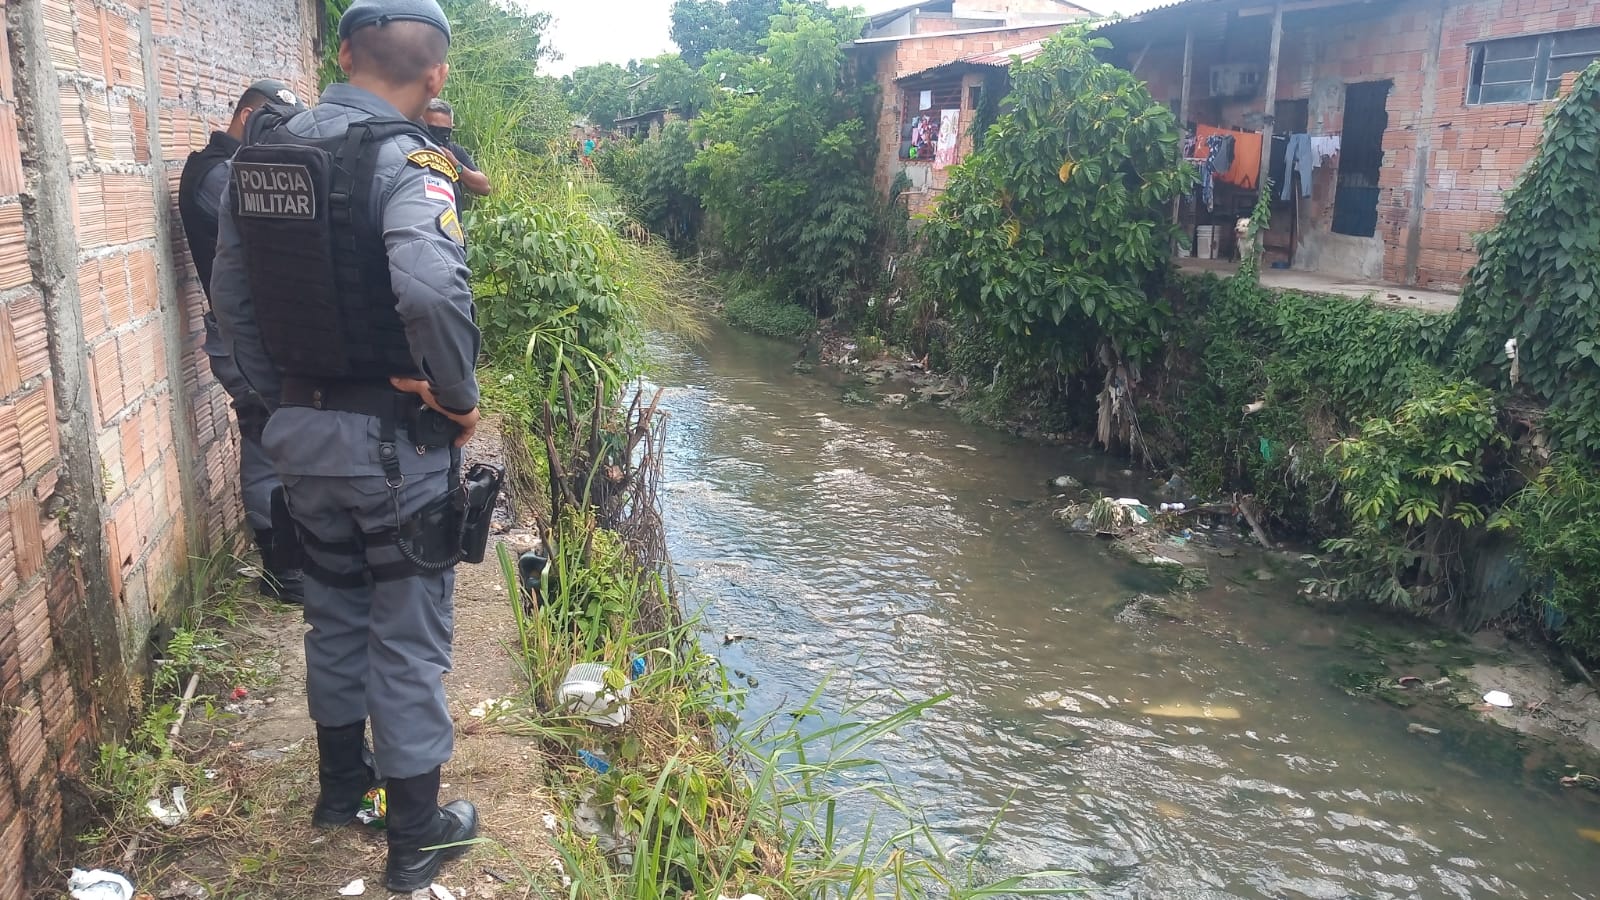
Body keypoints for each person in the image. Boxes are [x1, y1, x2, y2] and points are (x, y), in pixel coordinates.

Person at [208, 0, 482, 890]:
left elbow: (230, 302)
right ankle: (415, 841)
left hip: (295, 429)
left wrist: (267, 406)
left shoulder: (262, 154)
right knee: (404, 632)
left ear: (340, 52)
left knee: (331, 607)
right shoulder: (409, 162)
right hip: (395, 443)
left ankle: (338, 791)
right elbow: (434, 291)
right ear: (435, 74)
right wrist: (458, 399)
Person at [176, 80, 308, 604]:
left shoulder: (231, 168)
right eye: (272, 121)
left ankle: (292, 561)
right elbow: (278, 235)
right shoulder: (216, 173)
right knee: (265, 437)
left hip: (255, 330)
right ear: (247, 114)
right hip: (240, 335)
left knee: (279, 438)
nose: (280, 134)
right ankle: (283, 568)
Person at [421, 97, 491, 214]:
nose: (437, 136)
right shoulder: (410, 148)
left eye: (444, 132)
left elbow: (484, 187)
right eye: (431, 130)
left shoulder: (454, 151)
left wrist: (455, 164)